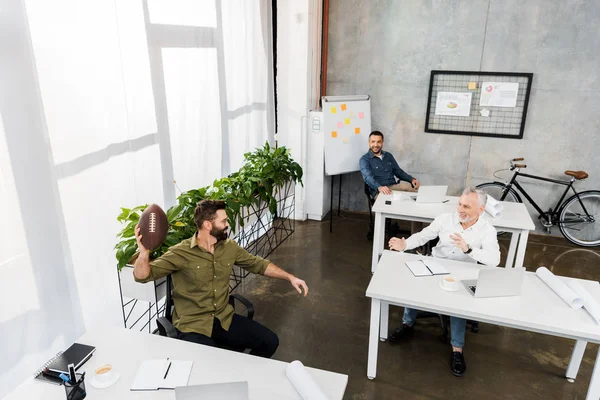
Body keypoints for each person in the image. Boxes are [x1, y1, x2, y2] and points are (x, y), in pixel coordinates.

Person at [133, 199, 309, 358]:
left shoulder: (229, 247)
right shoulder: (181, 252)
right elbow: (143, 276)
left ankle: (246, 373)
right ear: (208, 225)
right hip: (193, 324)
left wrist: (290, 277)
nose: (227, 224)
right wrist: (144, 253)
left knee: (270, 341)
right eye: (224, 221)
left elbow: (258, 264)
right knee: (214, 364)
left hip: (223, 318)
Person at [387, 187, 500, 377]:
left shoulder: (487, 230)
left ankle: (457, 350)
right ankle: (407, 324)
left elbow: (494, 259)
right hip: (436, 265)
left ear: (481, 210)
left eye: (467, 206)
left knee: (458, 304)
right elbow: (424, 235)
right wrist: (405, 244)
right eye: (459, 204)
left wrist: (469, 249)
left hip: (463, 272)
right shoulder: (445, 219)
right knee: (415, 284)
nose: (460, 209)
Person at [359, 130, 420, 199]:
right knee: (395, 203)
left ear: (382, 143)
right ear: (369, 143)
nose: (375, 145)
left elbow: (398, 172)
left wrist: (411, 179)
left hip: (394, 186)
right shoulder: (364, 160)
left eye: (379, 142)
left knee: (417, 191)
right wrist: (379, 187)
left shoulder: (388, 156)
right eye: (373, 142)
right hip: (379, 190)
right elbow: (368, 178)